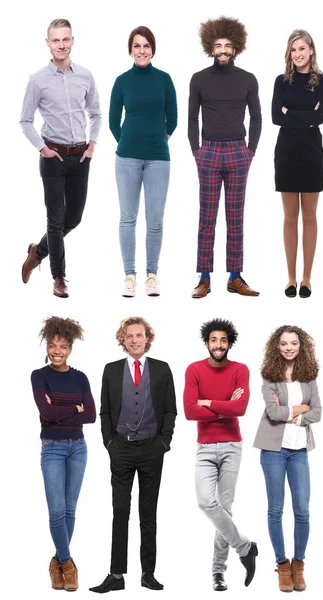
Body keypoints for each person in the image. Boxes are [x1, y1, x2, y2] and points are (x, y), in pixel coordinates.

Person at [90, 317, 177, 593]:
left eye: (140, 335)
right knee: (120, 511)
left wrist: (164, 442)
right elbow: (105, 411)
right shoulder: (111, 370)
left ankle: (148, 573)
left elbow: (170, 410)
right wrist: (109, 443)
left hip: (153, 448)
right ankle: (116, 575)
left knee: (148, 513)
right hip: (121, 449)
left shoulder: (162, 370)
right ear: (123, 339)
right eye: (130, 336)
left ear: (147, 338)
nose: (135, 340)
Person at [20, 18, 102, 298]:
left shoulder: (86, 76)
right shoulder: (37, 80)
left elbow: (96, 113)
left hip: (80, 157)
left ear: (72, 41)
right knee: (55, 220)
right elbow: (25, 121)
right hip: (52, 157)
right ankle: (59, 278)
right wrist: (42, 148)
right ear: (48, 43)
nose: (61, 45)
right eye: (56, 40)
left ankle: (37, 252)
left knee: (74, 218)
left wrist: (92, 144)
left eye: (65, 39)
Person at [188, 17, 262, 299]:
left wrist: (250, 150)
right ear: (211, 47)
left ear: (235, 48)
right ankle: (204, 277)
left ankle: (235, 276)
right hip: (208, 152)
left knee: (236, 217)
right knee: (206, 217)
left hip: (237, 152)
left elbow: (256, 116)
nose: (222, 50)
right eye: (218, 45)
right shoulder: (199, 79)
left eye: (227, 45)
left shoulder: (247, 79)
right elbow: (192, 118)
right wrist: (196, 151)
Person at [183, 318, 258, 591]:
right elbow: (190, 411)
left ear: (229, 344)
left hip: (231, 446)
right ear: (207, 343)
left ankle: (218, 572)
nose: (218, 344)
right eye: (214, 340)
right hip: (204, 447)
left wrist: (208, 402)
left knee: (224, 509)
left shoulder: (240, 370)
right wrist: (225, 406)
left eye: (223, 340)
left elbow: (241, 409)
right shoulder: (194, 370)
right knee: (206, 503)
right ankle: (245, 547)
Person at [109, 26, 177, 298]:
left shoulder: (164, 79)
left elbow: (172, 116)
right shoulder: (122, 81)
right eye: (137, 46)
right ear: (130, 50)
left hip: (159, 158)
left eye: (146, 45)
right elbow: (114, 121)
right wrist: (128, 142)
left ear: (153, 49)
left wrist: (160, 139)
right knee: (127, 218)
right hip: (126, 157)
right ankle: (129, 276)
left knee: (156, 220)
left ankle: (152, 275)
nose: (142, 50)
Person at [253, 325, 322, 592]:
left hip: (299, 452)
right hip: (273, 451)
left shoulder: (309, 377)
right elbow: (272, 413)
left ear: (301, 346)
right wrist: (300, 408)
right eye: (284, 343)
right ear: (276, 346)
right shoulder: (269, 376)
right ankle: (282, 565)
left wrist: (298, 414)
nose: (289, 347)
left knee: (302, 511)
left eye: (293, 343)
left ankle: (298, 565)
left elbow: (318, 412)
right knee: (275, 510)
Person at [31, 316, 96, 591]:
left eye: (63, 346)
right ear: (47, 346)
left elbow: (91, 415)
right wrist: (74, 410)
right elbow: (45, 413)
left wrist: (62, 411)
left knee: (70, 508)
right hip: (53, 449)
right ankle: (68, 564)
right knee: (56, 510)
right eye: (52, 345)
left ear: (70, 348)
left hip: (78, 447)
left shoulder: (80, 377)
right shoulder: (39, 375)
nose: (57, 351)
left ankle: (56, 562)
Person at [272, 30, 323, 298]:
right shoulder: (281, 81)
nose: (298, 54)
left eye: (302, 48)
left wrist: (290, 113)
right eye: (293, 49)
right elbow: (275, 116)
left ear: (311, 51)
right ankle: (290, 278)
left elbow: (319, 118)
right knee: (289, 217)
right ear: (289, 52)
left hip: (311, 150)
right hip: (285, 150)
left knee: (309, 216)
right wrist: (303, 115)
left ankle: (307, 279)